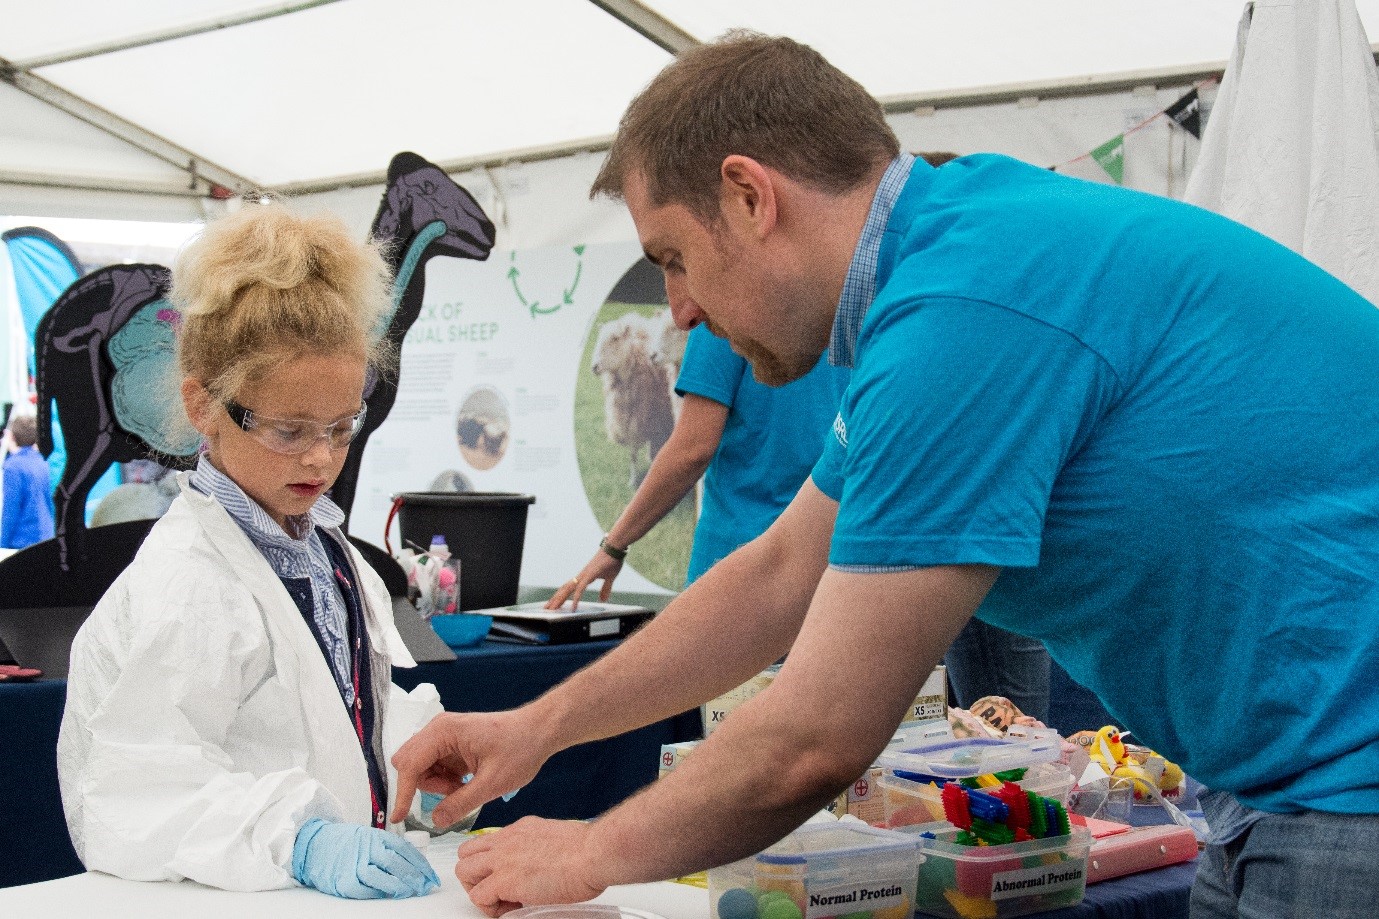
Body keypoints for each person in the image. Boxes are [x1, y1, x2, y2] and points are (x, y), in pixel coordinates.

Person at [392, 32, 1379, 919]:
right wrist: (538, 724)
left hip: (1342, 794)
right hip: (1282, 785)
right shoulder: (948, 258)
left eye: (674, 258)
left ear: (748, 194)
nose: (680, 312)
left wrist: (594, 849)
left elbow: (818, 733)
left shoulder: (963, 305)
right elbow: (780, 574)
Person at [57, 203, 442, 899]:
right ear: (203, 406)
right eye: (289, 430)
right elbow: (135, 790)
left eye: (341, 425)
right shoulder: (185, 583)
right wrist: (299, 839)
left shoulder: (329, 552)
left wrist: (411, 757)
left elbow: (336, 713)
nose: (321, 458)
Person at [547, 321, 849, 608]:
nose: (683, 314)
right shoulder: (845, 304)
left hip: (736, 561)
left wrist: (614, 545)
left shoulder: (724, 313)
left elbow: (693, 448)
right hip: (831, 557)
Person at [915, 150, 1053, 724]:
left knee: (1014, 736)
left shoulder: (991, 313)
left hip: (993, 552)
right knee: (988, 728)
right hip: (968, 551)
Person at [1, 412, 55, 549]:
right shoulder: (42, 462)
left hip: (23, 541)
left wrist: (2, 544)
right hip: (46, 536)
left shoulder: (12, 467)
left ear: (12, 437)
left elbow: (11, 510)